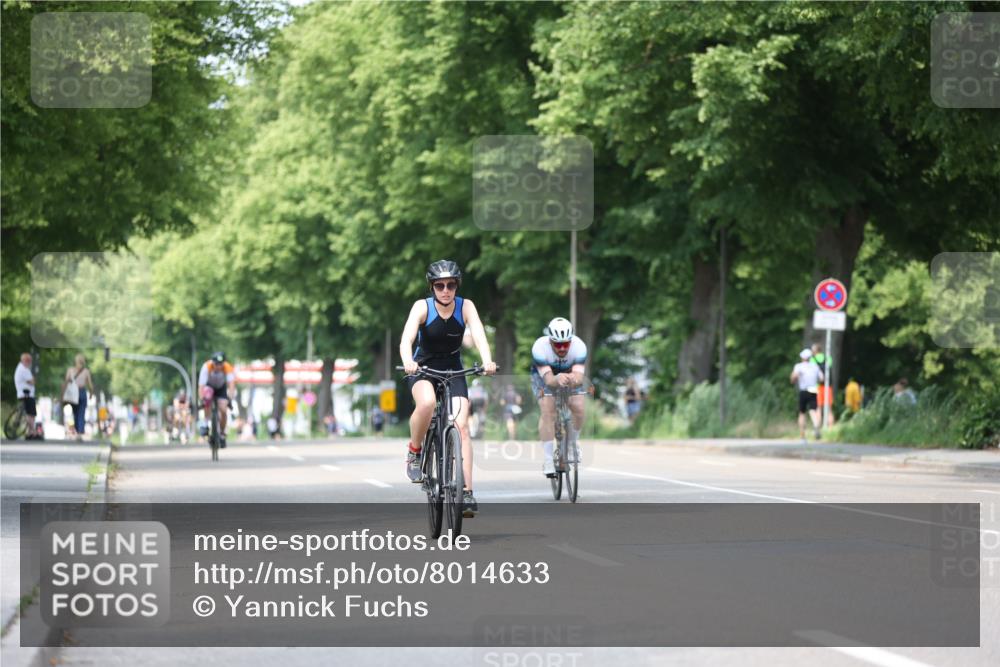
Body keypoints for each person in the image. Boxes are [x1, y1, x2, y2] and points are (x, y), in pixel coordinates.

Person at [400, 260, 497, 517]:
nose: (446, 290)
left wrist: (487, 360)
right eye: (440, 285)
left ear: (457, 286)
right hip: (423, 368)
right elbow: (407, 338)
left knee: (462, 426)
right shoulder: (422, 307)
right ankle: (415, 451)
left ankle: (466, 492)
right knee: (427, 403)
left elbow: (478, 334)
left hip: (454, 368)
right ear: (432, 287)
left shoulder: (466, 306)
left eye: (451, 285)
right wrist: (408, 361)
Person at [531, 317, 588, 478]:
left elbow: (578, 377)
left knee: (579, 407)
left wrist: (572, 379)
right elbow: (549, 380)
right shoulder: (539, 348)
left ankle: (572, 444)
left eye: (566, 344)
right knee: (547, 410)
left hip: (569, 373)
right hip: (543, 376)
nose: (562, 348)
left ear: (571, 341)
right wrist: (557, 378)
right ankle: (549, 459)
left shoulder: (579, 347)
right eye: (558, 344)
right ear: (550, 341)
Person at [197, 351, 236, 448]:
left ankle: (222, 434)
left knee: (223, 409)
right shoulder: (206, 367)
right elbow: (201, 386)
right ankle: (206, 423)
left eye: (220, 364)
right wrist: (202, 399)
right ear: (212, 362)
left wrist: (230, 399)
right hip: (209, 387)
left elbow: (231, 385)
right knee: (207, 400)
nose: (218, 367)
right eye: (216, 364)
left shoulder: (227, 367)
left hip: (221, 389)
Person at [791, 348, 823, 442]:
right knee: (813, 410)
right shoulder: (815, 366)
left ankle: (802, 436)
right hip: (813, 389)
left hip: (804, 390)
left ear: (802, 358)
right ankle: (816, 424)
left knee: (802, 413)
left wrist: (794, 379)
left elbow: (793, 377)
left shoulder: (799, 366)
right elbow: (821, 378)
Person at [61, 354, 94, 442]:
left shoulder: (70, 370)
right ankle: (80, 433)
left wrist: (63, 395)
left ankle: (78, 432)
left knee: (75, 413)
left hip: (73, 393)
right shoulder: (86, 371)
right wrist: (91, 393)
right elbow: (90, 384)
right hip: (82, 392)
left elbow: (66, 382)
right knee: (81, 413)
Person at [13, 353, 38, 439]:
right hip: (27, 395)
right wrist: (33, 379)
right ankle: (32, 432)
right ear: (26, 361)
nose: (30, 363)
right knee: (30, 414)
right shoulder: (23, 369)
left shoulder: (21, 368)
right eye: (29, 361)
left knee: (30, 414)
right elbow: (32, 381)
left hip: (25, 394)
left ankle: (29, 432)